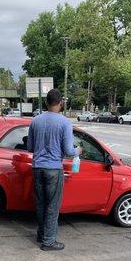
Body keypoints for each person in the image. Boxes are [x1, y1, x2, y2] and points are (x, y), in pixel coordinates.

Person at [27, 89, 81, 251]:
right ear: (60, 103)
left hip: (37, 168)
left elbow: (30, 147)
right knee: (52, 206)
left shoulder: (35, 121)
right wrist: (78, 151)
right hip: (53, 169)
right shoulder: (65, 122)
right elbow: (69, 151)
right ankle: (49, 242)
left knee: (41, 204)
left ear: (46, 102)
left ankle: (42, 234)